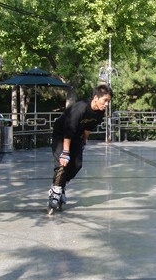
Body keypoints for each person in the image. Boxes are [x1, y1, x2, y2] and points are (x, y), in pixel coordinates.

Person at [48, 84, 113, 213]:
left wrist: (82, 143)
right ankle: (55, 191)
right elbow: (68, 131)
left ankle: (60, 185)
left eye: (108, 102)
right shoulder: (80, 108)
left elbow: (88, 130)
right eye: (105, 100)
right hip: (62, 134)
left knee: (77, 164)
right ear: (95, 97)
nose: (106, 104)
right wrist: (65, 152)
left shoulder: (100, 113)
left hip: (77, 135)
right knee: (63, 164)